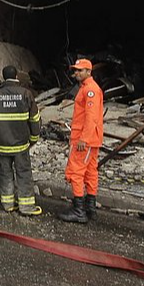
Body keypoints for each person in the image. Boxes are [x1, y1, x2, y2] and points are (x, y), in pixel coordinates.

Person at [0, 65, 42, 216]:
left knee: (5, 174)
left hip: (1, 145)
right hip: (21, 145)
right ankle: (26, 207)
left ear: (3, 77)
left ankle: (8, 204)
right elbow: (35, 119)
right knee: (24, 173)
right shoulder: (25, 94)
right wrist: (34, 138)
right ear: (16, 76)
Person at [58, 58, 104, 224]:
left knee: (76, 172)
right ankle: (89, 207)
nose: (75, 73)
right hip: (90, 139)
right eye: (75, 70)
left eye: (79, 70)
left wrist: (83, 139)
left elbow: (91, 117)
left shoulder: (90, 90)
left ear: (88, 72)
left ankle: (79, 210)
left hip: (84, 140)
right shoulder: (87, 88)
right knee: (91, 172)